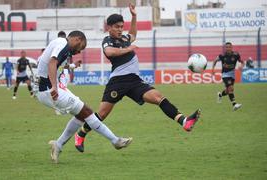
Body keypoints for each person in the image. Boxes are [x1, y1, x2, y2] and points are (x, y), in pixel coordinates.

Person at [74, 3, 201, 153]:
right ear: (109, 28)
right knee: (101, 114)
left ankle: (184, 121)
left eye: (122, 26)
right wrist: (129, 48)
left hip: (134, 81)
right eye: (117, 27)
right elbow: (110, 52)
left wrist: (134, 16)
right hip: (118, 82)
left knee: (158, 97)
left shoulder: (125, 38)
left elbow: (133, 34)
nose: (120, 29)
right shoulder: (108, 41)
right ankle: (81, 134)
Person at [36, 30, 132, 163]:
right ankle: (115, 140)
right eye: (81, 47)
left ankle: (58, 145)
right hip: (48, 89)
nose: (79, 52)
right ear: (77, 39)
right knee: (87, 112)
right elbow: (52, 62)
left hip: (47, 89)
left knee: (81, 116)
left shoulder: (61, 47)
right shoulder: (63, 43)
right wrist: (53, 86)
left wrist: (72, 66)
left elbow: (50, 63)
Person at [212, 42, 244, 111]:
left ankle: (220, 95)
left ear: (231, 47)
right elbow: (215, 61)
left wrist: (241, 66)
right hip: (225, 74)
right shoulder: (222, 55)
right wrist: (213, 69)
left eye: (229, 47)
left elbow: (242, 61)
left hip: (232, 74)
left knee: (228, 90)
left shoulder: (236, 55)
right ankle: (234, 104)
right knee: (230, 88)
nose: (228, 48)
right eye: (226, 47)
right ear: (225, 48)